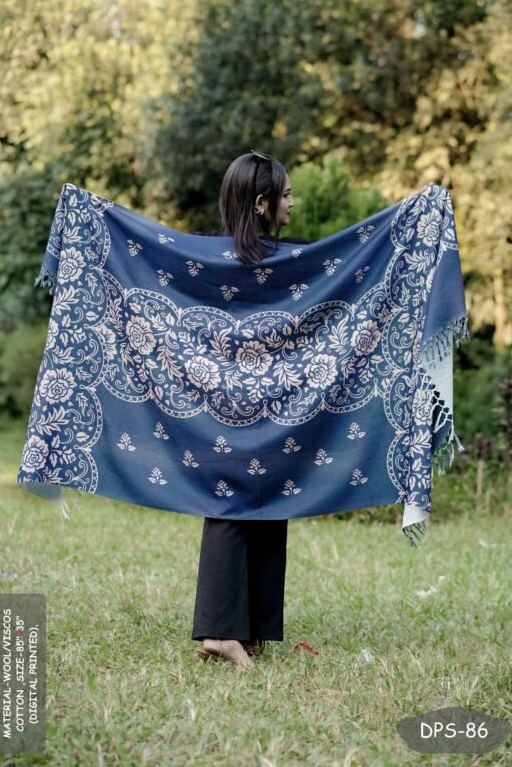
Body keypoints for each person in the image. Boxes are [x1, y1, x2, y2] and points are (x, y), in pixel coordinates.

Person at [190, 151, 309, 667]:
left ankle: (251, 630)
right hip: (228, 408)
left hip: (269, 405)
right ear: (261, 203)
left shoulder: (281, 261)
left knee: (266, 499)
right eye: (286, 194)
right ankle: (220, 631)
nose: (292, 203)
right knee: (232, 503)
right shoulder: (218, 260)